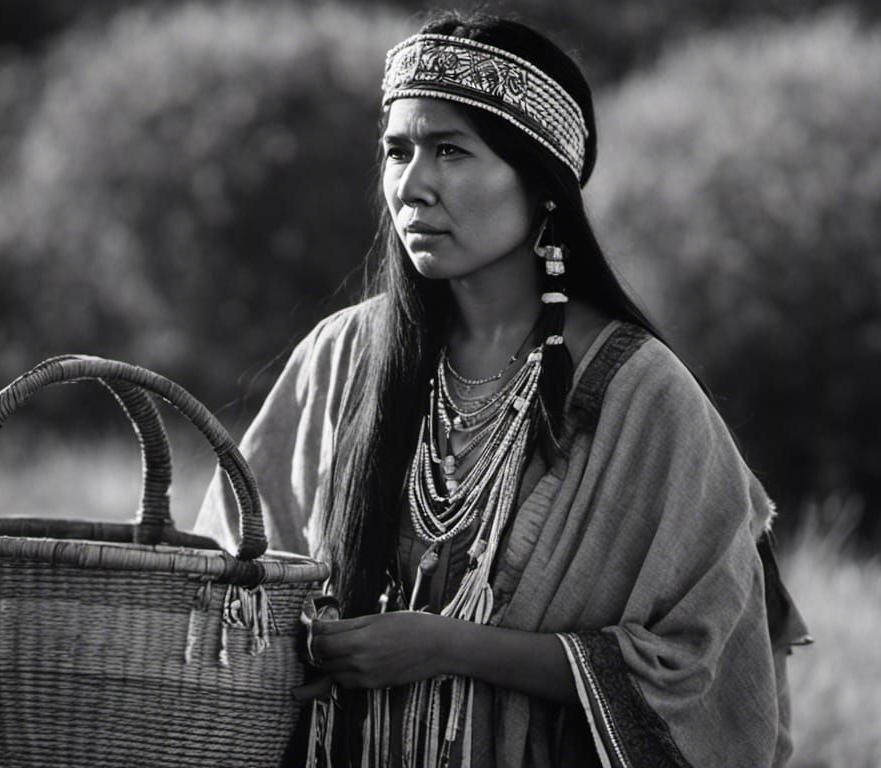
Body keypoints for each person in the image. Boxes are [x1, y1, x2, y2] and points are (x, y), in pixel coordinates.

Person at [196, 12, 809, 767]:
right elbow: (227, 573)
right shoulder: (343, 356)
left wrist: (449, 647)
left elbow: (695, 668)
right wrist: (307, 640)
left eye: (451, 151)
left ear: (542, 185)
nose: (412, 185)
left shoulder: (639, 393)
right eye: (397, 151)